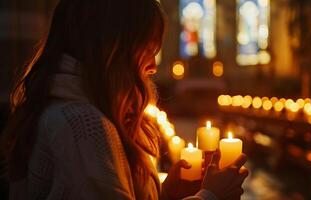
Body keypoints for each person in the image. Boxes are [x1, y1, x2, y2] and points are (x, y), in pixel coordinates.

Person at [1, 0, 249, 199]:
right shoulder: (83, 125)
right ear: (114, 50)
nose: (152, 66)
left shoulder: (64, 107)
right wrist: (210, 196)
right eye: (148, 50)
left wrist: (166, 195)